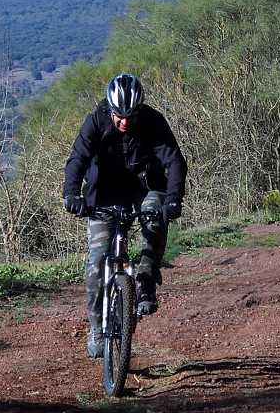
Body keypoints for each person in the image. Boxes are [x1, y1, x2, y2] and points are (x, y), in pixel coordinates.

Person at [62, 73, 187, 359]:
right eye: (119, 116)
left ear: (140, 109)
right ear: (110, 108)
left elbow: (175, 161)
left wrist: (173, 200)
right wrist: (72, 195)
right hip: (103, 198)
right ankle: (97, 328)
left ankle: (145, 282)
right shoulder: (96, 121)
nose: (124, 122)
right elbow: (77, 159)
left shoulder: (153, 122)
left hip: (142, 192)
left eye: (131, 116)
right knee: (96, 261)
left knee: (156, 220)